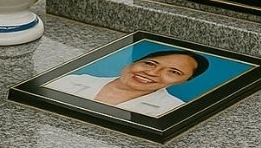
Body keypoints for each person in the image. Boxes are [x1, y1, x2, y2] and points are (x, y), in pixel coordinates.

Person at [50, 49, 209, 116]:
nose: (152, 73)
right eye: (149, 63)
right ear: (132, 62)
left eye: (173, 72)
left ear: (184, 81)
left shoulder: (172, 110)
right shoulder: (72, 81)